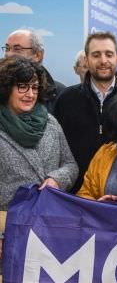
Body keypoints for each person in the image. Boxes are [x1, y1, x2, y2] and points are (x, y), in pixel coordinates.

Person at [0, 57, 78, 256]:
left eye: (34, 88)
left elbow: (70, 164)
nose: (30, 94)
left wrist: (57, 179)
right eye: (22, 87)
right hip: (8, 228)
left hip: (50, 225)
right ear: (7, 88)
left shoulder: (50, 121)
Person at [54, 31, 117, 192]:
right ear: (87, 60)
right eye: (96, 55)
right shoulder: (66, 99)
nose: (103, 61)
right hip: (76, 194)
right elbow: (56, 150)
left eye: (109, 54)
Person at [2, 29, 66, 113]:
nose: (8, 54)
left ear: (38, 55)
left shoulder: (60, 93)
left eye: (17, 49)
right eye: (7, 48)